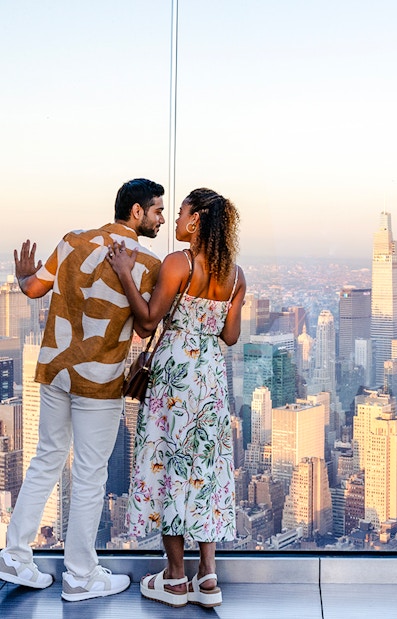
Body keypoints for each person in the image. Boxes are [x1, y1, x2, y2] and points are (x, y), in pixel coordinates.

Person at [0, 178, 165, 602]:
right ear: (135, 212)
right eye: (157, 210)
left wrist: (21, 276)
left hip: (55, 370)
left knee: (46, 459)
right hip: (99, 380)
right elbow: (147, 325)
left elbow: (33, 288)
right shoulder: (146, 263)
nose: (161, 219)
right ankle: (80, 575)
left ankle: (15, 556)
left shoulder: (71, 240)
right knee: (91, 475)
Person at [107, 187, 246, 608]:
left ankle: (173, 576)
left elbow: (147, 323)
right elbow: (231, 336)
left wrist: (125, 273)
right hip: (210, 378)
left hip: (173, 379)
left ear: (198, 219)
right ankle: (208, 578)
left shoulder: (177, 264)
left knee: (169, 462)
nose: (177, 219)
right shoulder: (236, 275)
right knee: (205, 466)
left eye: (182, 211)